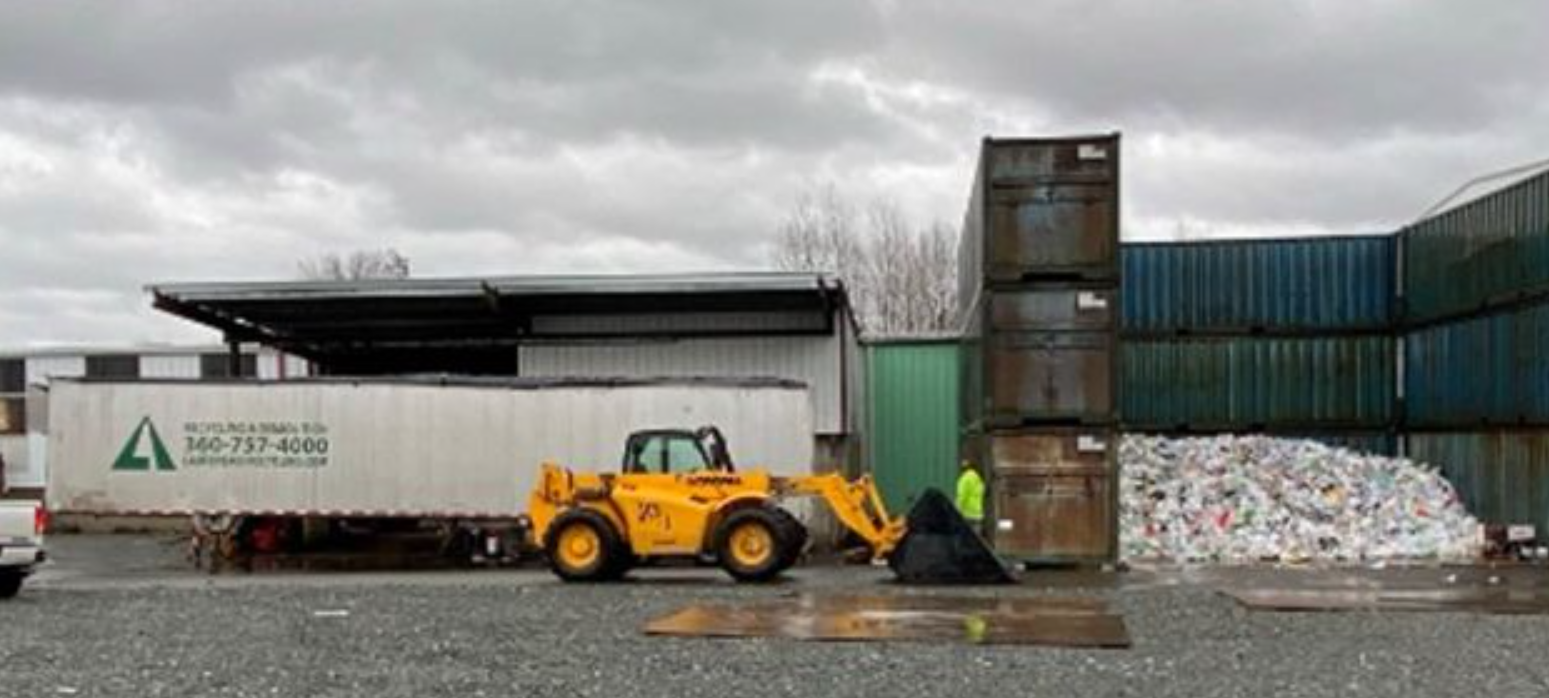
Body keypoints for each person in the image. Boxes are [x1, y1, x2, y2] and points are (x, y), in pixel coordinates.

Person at [955, 459, 984, 526]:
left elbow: (962, 496)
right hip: (977, 514)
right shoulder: (977, 478)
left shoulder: (964, 478)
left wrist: (957, 509)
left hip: (967, 514)